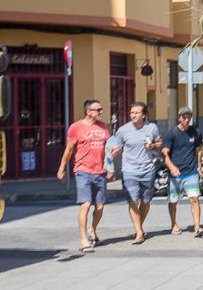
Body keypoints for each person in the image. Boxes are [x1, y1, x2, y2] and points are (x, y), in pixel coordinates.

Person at [58, 99, 110, 253]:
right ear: (88, 112)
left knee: (100, 206)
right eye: (98, 109)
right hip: (83, 171)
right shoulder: (76, 127)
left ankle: (92, 229)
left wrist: (111, 165)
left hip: (100, 171)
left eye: (101, 109)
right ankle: (83, 240)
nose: (101, 112)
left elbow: (108, 148)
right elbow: (69, 150)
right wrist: (62, 168)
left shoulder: (103, 127)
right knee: (86, 204)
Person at [108, 102, 161, 245]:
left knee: (145, 201)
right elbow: (113, 148)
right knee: (133, 201)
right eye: (131, 112)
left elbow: (159, 143)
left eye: (136, 113)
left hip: (148, 170)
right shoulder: (123, 130)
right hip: (129, 171)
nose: (133, 115)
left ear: (143, 115)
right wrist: (109, 167)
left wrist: (153, 146)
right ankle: (138, 232)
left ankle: (139, 227)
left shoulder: (152, 128)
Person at [163, 106, 203, 237]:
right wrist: (172, 167)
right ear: (179, 118)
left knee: (194, 199)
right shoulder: (172, 133)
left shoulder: (195, 132)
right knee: (173, 201)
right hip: (175, 174)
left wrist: (199, 167)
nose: (186, 120)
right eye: (184, 117)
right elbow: (165, 153)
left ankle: (197, 227)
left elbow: (198, 150)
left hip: (191, 172)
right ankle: (173, 224)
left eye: (189, 117)